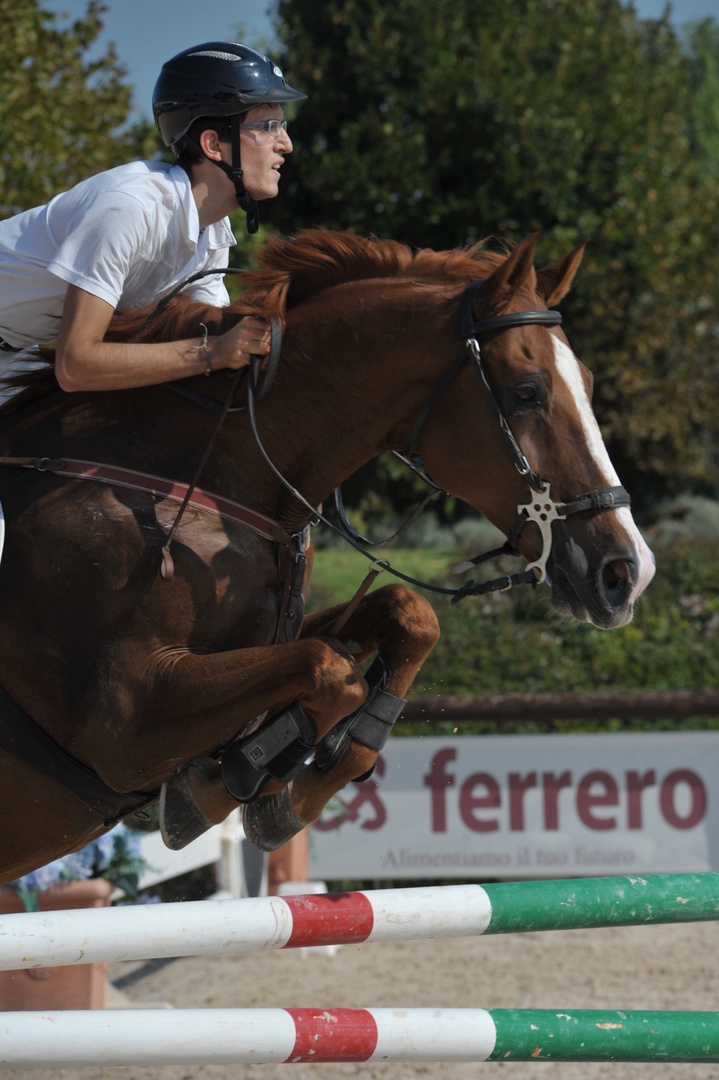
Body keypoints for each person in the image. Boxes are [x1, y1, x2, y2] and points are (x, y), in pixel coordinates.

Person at [0, 41, 305, 392]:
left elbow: (205, 333)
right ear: (213, 145)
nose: (286, 144)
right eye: (269, 127)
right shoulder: (129, 208)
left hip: (18, 353)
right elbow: (75, 365)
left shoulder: (210, 232)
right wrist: (214, 352)